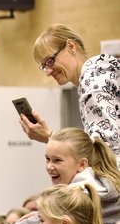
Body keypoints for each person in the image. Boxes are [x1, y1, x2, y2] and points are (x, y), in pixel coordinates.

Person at [20, 24, 120, 163]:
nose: (48, 72)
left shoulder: (93, 83)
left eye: (50, 61)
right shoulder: (100, 72)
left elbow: (107, 153)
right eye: (44, 66)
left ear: (71, 47)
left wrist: (50, 137)